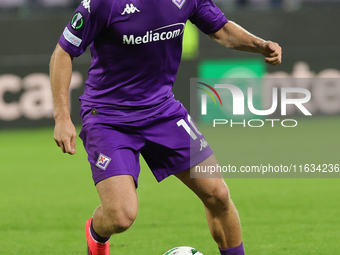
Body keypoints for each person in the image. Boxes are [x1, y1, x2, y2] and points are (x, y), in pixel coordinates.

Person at [50, 0, 282, 254]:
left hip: (163, 111)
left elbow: (222, 30)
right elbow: (63, 52)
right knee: (121, 216)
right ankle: (97, 233)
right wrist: (62, 117)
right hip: (108, 117)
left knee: (218, 194)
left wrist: (260, 45)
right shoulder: (104, 3)